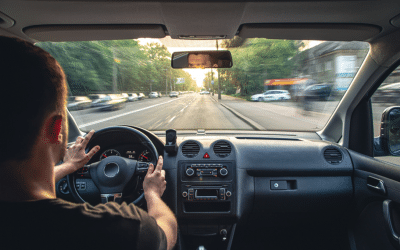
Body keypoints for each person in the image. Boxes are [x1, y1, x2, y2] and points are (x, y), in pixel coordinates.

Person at [0, 36, 177, 250]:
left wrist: (68, 167)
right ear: (56, 128)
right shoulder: (116, 229)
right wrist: (151, 193)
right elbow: (166, 231)